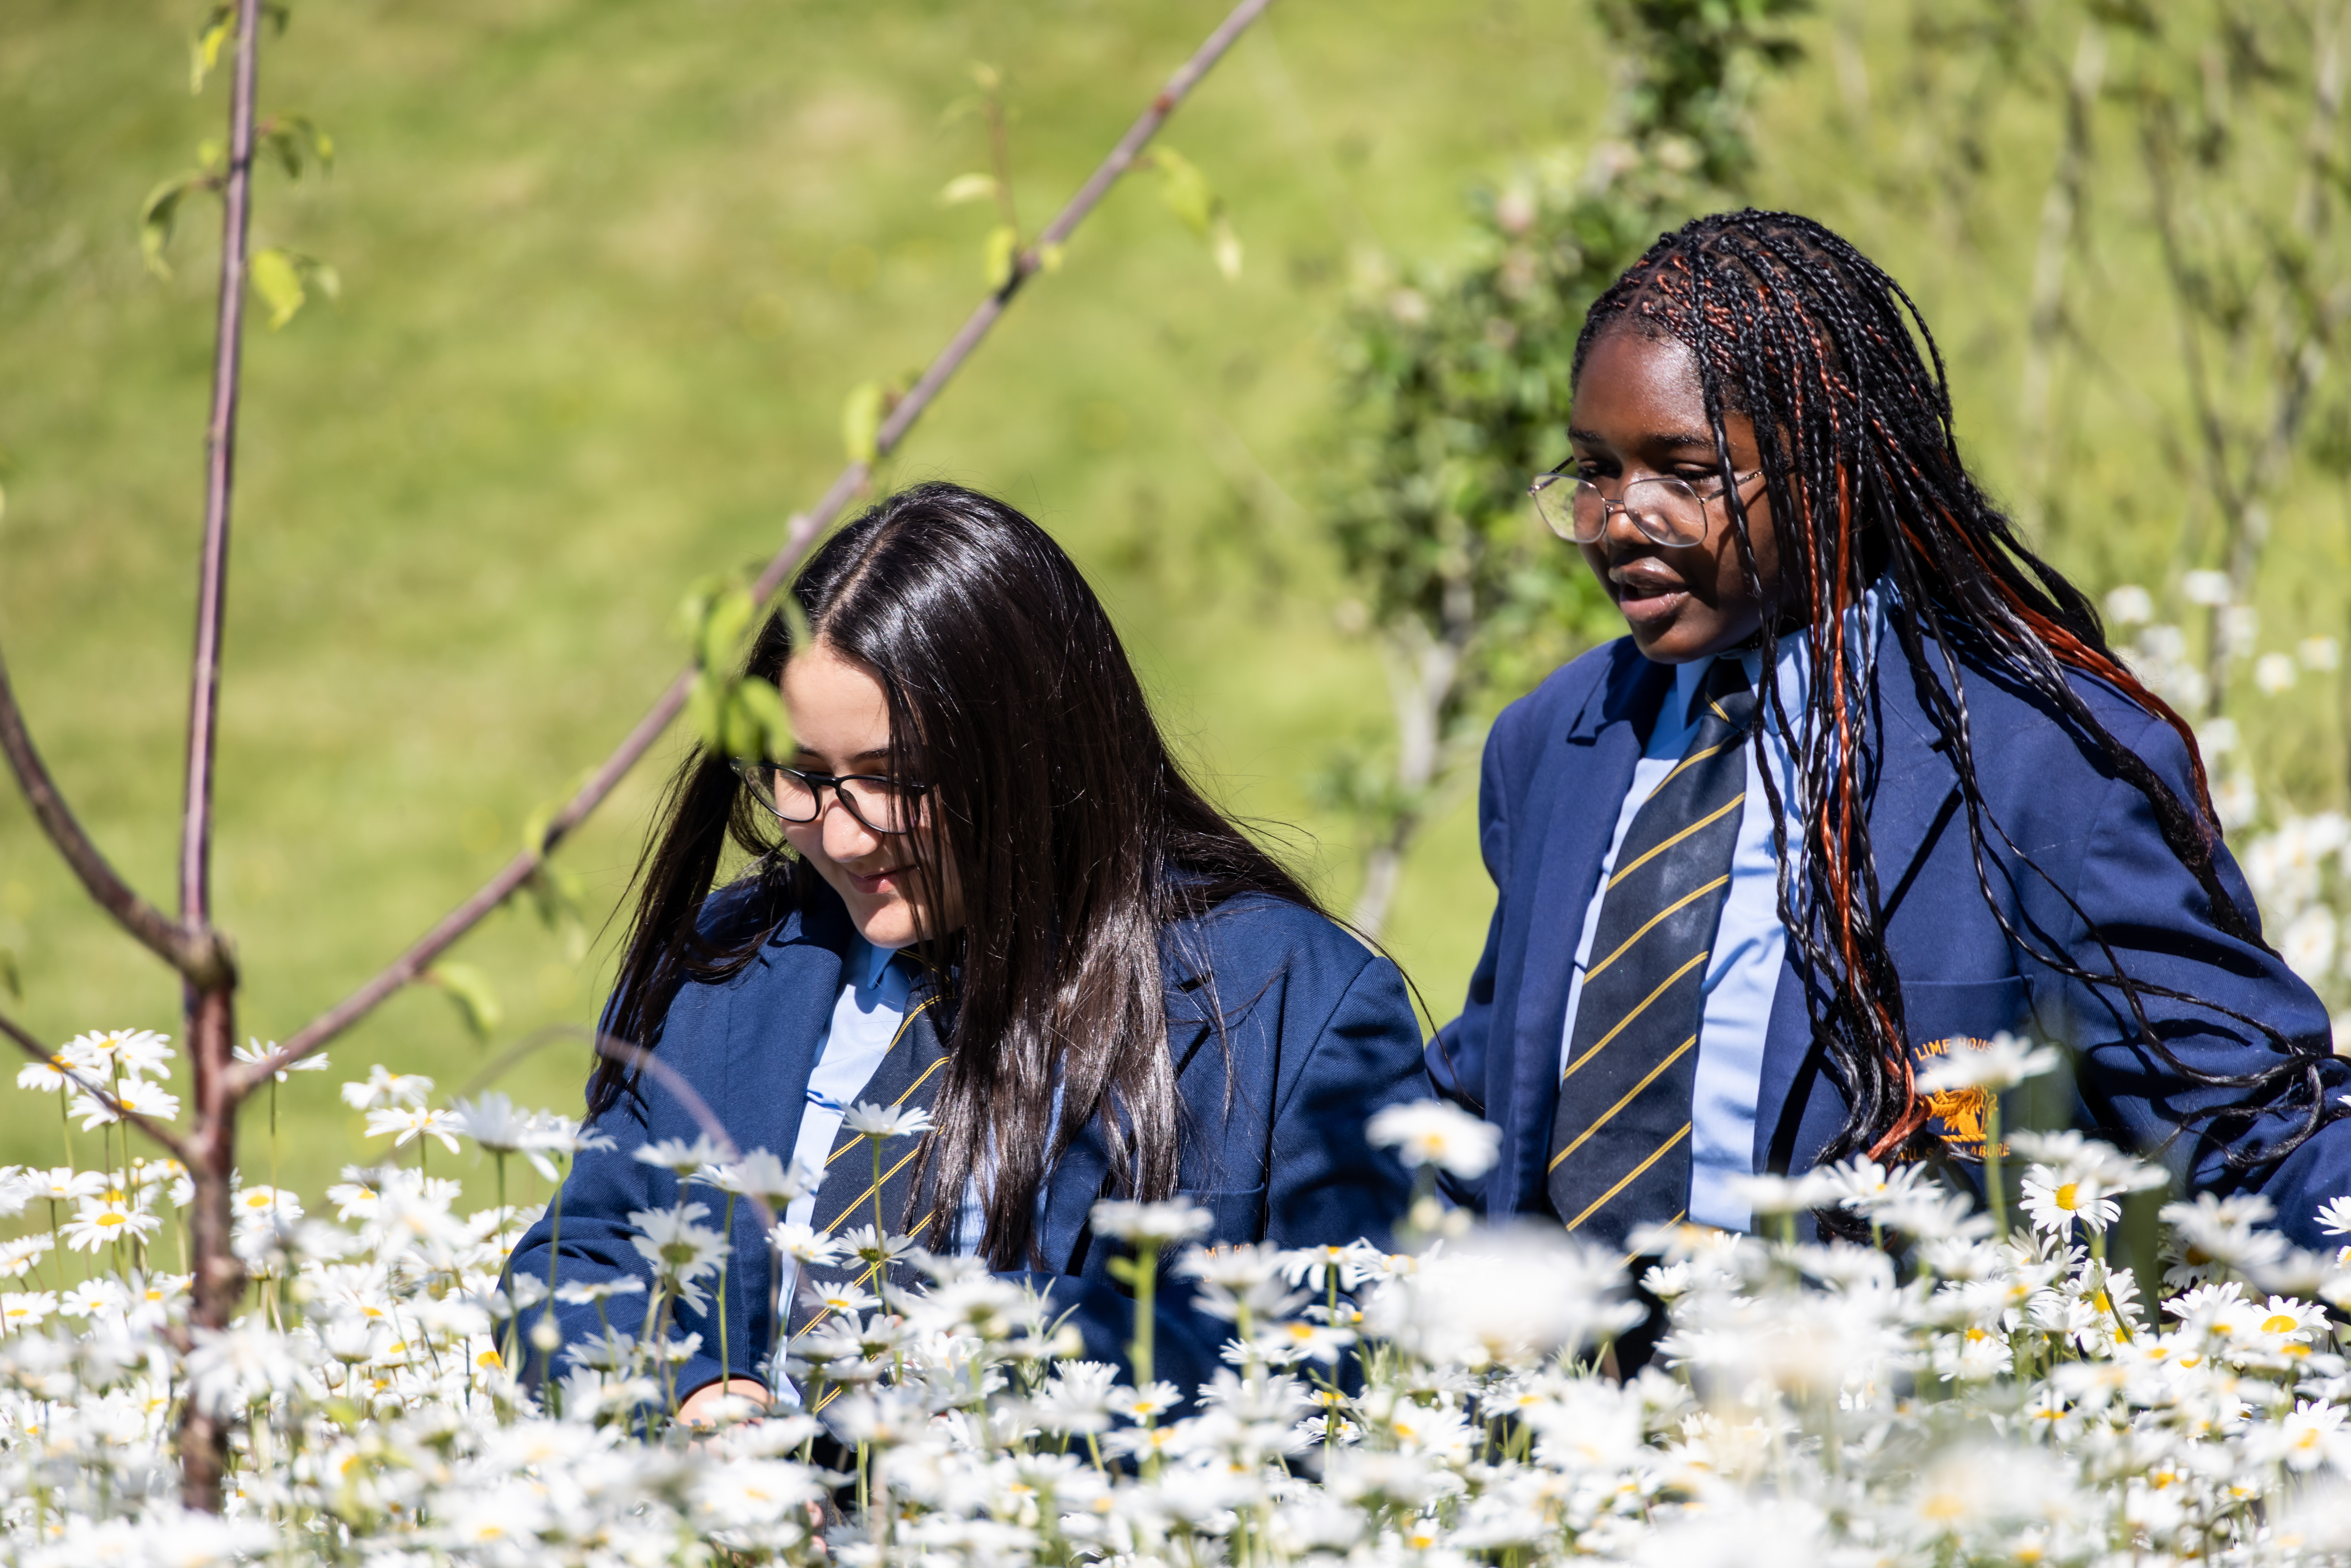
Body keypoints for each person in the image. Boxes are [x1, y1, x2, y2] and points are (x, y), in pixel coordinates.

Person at [1430, 209, 2351, 1253]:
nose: (1620, 520)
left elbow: (2251, 1124)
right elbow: (1489, 1101)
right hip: (1568, 1405)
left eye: (1688, 475)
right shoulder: (1554, 742)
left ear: (1833, 466)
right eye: (1593, 470)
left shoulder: (2043, 763)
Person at [509, 481, 1427, 1420]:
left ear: (1038, 754)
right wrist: (692, 1394)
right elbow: (578, 1260)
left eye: (895, 779)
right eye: (804, 775)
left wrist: (968, 1365)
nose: (847, 836)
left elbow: (1356, 1354)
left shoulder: (1289, 1001)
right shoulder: (723, 963)